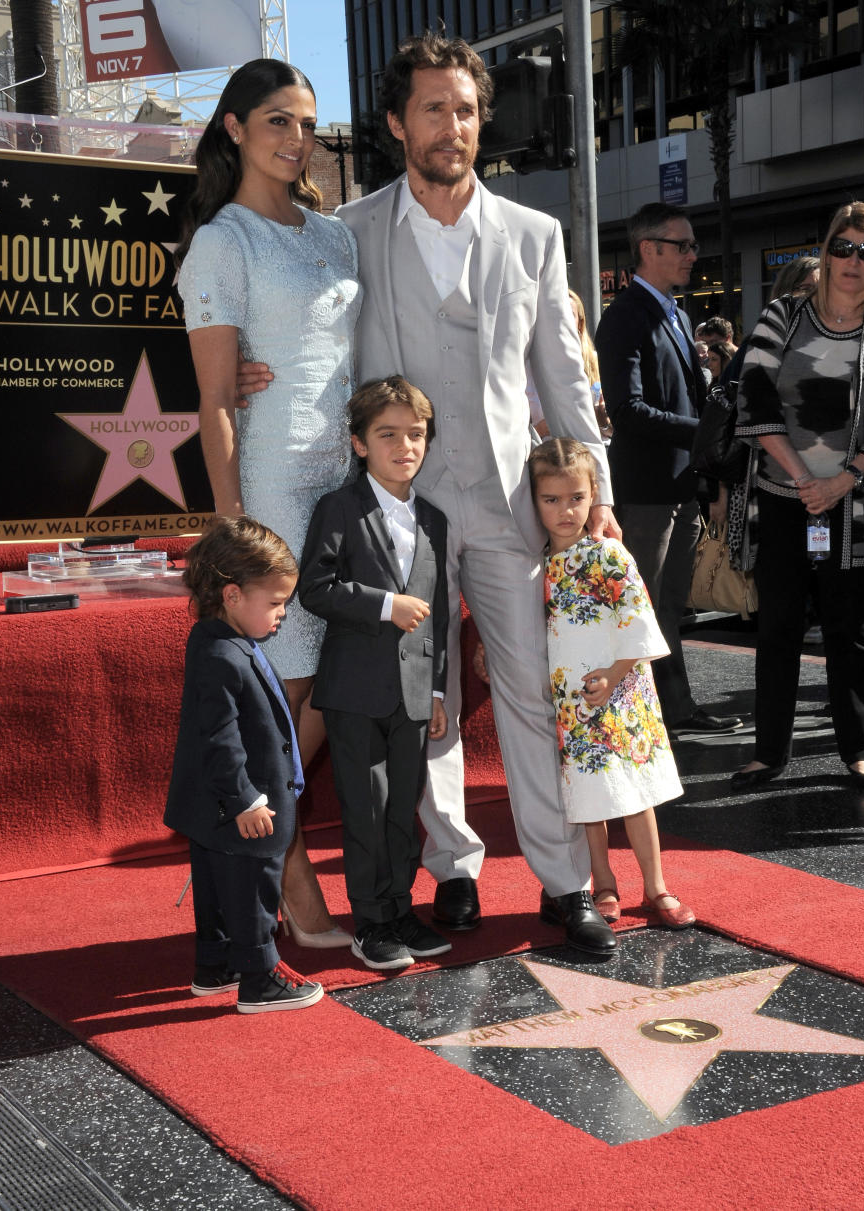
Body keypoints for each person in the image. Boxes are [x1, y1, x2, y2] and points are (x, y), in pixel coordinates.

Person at [238, 33, 618, 954]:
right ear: (397, 122)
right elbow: (305, 328)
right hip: (387, 515)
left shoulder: (536, 237)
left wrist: (595, 493)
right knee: (421, 700)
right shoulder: (347, 231)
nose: (453, 126)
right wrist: (254, 369)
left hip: (502, 504)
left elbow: (563, 382)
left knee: (528, 687)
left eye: (466, 109)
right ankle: (454, 867)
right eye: (434, 108)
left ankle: (564, 883)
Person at [175, 59, 360, 946]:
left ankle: (264, 840)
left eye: (307, 124)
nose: (296, 140)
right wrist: (230, 527)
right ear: (235, 128)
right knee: (284, 692)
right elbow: (214, 396)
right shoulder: (222, 242)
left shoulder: (336, 236)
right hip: (274, 487)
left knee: (343, 671)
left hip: (349, 486)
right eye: (277, 121)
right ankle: (285, 868)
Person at [731, 202, 864, 793]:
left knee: (851, 630)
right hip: (783, 498)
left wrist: (841, 480)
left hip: (856, 505)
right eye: (844, 246)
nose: (853, 261)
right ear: (826, 249)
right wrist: (803, 478)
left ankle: (859, 751)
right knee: (779, 627)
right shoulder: (783, 315)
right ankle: (769, 753)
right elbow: (753, 399)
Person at [298, 377, 451, 971]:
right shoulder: (339, 507)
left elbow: (438, 611)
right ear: (359, 444)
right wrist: (385, 605)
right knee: (364, 807)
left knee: (402, 809)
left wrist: (438, 688)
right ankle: (370, 921)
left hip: (414, 694)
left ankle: (400, 909)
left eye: (416, 435)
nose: (405, 446)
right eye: (388, 435)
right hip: (355, 689)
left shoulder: (434, 518)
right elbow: (315, 587)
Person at [530, 438, 696, 929]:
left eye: (576, 498)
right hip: (570, 698)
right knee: (586, 795)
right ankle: (601, 883)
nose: (565, 511)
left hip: (622, 692)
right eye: (551, 500)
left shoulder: (608, 554)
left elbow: (639, 621)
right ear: (533, 500)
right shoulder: (533, 563)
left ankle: (656, 885)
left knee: (634, 792)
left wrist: (614, 675)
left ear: (594, 493)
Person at [164, 516, 325, 1014]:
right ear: (232, 595)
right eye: (275, 603)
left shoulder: (215, 641)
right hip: (239, 806)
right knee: (253, 888)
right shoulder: (223, 655)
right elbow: (219, 738)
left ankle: (216, 966)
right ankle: (260, 978)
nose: (281, 614)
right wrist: (246, 799)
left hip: (210, 809)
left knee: (214, 888)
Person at [595, 202, 741, 737]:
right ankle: (642, 715)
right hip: (646, 490)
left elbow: (693, 402)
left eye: (693, 244)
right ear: (649, 249)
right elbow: (628, 409)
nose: (692, 254)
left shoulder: (678, 316)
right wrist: (702, 432)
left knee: (669, 604)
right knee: (643, 606)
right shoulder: (624, 316)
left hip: (681, 487)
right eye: (682, 245)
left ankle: (671, 710)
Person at [569, 289, 612, 440]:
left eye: (569, 316)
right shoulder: (532, 363)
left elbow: (611, 431)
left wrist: (603, 420)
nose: (561, 323)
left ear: (580, 323)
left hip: (591, 451)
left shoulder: (594, 361)